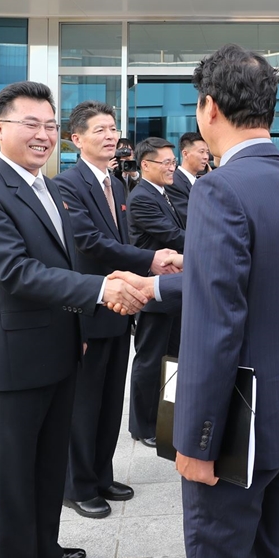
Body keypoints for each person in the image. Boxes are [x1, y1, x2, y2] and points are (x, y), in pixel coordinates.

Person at [0, 81, 151, 558]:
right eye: (30, 124)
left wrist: (108, 277)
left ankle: (43, 549)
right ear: (1, 130)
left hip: (62, 348)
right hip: (13, 361)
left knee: (46, 468)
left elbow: (67, 263)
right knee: (11, 478)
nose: (42, 135)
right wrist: (97, 292)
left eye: (48, 125)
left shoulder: (50, 189)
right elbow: (14, 271)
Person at [173, 43, 279, 558]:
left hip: (241, 427)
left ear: (209, 108)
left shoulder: (219, 188)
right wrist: (157, 286)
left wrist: (196, 439)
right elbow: (267, 287)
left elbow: (217, 326)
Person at [53, 101, 180, 519]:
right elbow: (89, 242)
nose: (111, 136)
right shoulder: (68, 185)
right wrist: (149, 261)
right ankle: (78, 484)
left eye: (113, 129)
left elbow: (118, 245)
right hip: (88, 309)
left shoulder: (117, 185)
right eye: (100, 130)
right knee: (85, 404)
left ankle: (102, 474)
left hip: (119, 308)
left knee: (109, 401)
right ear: (77, 139)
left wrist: (137, 279)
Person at [127, 138, 187, 447]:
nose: (172, 166)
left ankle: (167, 420)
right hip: (153, 293)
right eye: (165, 162)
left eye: (172, 160)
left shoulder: (163, 193)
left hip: (172, 290)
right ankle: (143, 426)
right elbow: (173, 235)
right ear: (146, 165)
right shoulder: (142, 197)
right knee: (150, 361)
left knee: (173, 360)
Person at [166, 131, 210, 224]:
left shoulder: (200, 181)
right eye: (201, 152)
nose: (206, 157)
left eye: (207, 152)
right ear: (185, 154)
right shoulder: (174, 182)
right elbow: (189, 218)